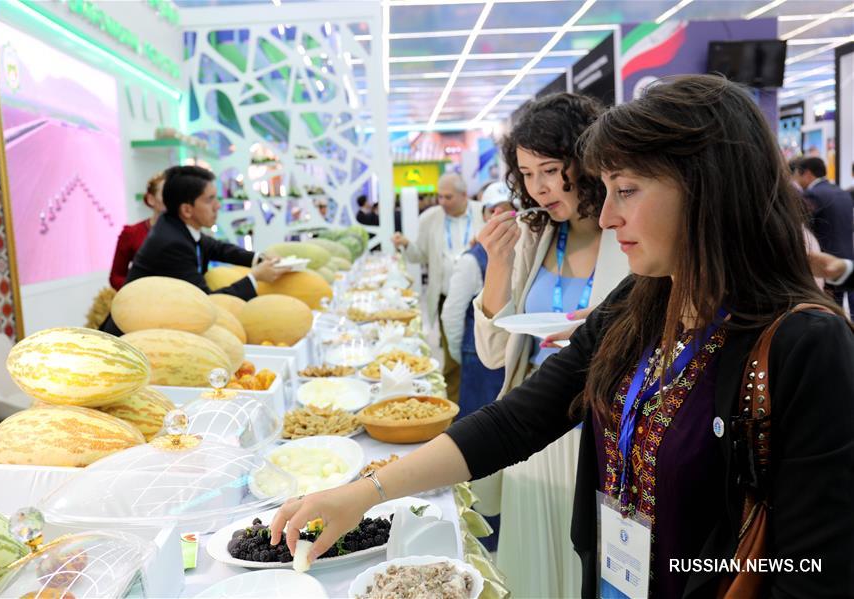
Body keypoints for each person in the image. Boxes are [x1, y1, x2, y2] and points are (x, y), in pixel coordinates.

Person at [270, 75, 854, 598]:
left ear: (708, 190)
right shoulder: (643, 303)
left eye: (627, 191)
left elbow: (812, 567)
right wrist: (365, 492)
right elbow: (522, 418)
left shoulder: (805, 345)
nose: (605, 218)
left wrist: (688, 567)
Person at [472, 93, 629, 598]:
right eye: (526, 173)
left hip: (606, 434)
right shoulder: (533, 235)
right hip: (535, 430)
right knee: (532, 576)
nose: (538, 188)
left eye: (550, 169)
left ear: (585, 161)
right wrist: (496, 265)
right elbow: (496, 354)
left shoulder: (629, 232)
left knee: (596, 572)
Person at [101, 166, 288, 335]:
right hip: (129, 336)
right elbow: (206, 302)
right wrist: (255, 278)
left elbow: (217, 248)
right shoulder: (171, 243)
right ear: (187, 210)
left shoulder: (176, 226)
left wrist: (259, 258)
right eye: (210, 200)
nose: (218, 206)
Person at [392, 173, 484, 401]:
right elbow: (419, 256)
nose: (442, 201)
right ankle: (456, 411)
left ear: (464, 195)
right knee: (454, 359)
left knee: (483, 355)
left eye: (448, 197)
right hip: (447, 298)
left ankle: (484, 405)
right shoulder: (430, 218)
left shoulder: (483, 212)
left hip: (482, 299)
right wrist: (406, 245)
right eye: (439, 196)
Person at [440, 181, 513, 419]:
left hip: (512, 359)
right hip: (479, 360)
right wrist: (462, 353)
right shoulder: (472, 260)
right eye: (492, 210)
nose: (499, 216)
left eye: (507, 208)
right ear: (483, 215)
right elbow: (451, 314)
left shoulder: (529, 255)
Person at [792, 157, 854, 311]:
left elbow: (803, 229)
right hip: (846, 258)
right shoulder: (842, 191)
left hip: (824, 263)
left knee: (826, 312)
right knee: (840, 311)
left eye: (797, 175)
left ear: (807, 174)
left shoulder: (813, 195)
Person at [108, 172, 166, 289]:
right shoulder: (132, 233)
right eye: (165, 194)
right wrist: (137, 291)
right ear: (151, 199)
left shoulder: (184, 231)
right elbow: (116, 276)